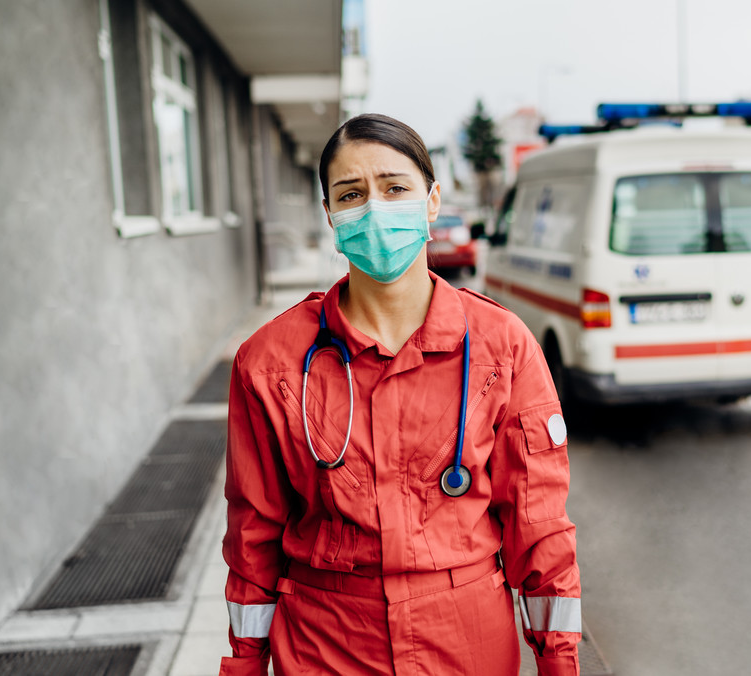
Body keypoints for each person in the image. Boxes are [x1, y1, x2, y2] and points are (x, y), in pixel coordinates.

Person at [219, 113, 581, 676]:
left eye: (395, 188)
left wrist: (560, 663)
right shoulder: (270, 363)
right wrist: (243, 665)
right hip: (325, 645)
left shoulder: (500, 347)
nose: (375, 209)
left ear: (432, 201)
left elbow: (540, 529)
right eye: (351, 194)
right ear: (331, 217)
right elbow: (253, 532)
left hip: (467, 643)